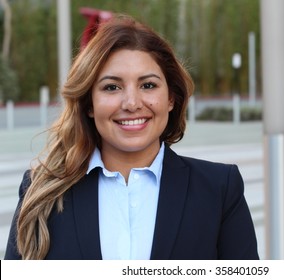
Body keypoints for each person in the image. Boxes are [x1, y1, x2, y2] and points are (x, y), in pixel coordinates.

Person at [5, 14, 259, 260]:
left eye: (148, 85)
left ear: (171, 98)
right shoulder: (40, 191)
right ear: (89, 103)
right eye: (111, 87)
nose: (131, 103)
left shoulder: (219, 189)